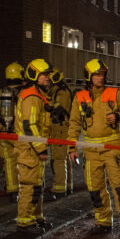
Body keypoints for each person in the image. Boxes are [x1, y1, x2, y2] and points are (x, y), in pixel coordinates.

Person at [68, 58, 120, 234]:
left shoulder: (114, 94)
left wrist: (118, 116)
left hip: (113, 148)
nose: (100, 78)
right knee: (95, 189)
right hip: (91, 152)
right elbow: (74, 124)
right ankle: (103, 220)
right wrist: (71, 147)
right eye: (97, 75)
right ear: (89, 76)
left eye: (102, 75)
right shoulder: (79, 97)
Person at [14, 59, 53, 232]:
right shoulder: (31, 97)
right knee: (30, 186)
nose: (47, 78)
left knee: (37, 186)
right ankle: (25, 222)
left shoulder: (37, 95)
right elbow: (29, 127)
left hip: (33, 150)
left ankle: (36, 217)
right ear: (34, 75)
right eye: (44, 75)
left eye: (48, 74)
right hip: (30, 151)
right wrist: (41, 148)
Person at [0, 62, 24, 201]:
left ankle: (12, 190)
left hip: (4, 131)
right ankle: (24, 189)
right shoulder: (25, 92)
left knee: (9, 162)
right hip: (20, 132)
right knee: (23, 161)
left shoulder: (0, 93)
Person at [48, 68, 73, 198]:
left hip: (60, 128)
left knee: (58, 159)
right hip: (59, 128)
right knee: (63, 158)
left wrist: (48, 104)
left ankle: (59, 189)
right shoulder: (56, 91)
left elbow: (61, 109)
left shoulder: (62, 92)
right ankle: (67, 186)